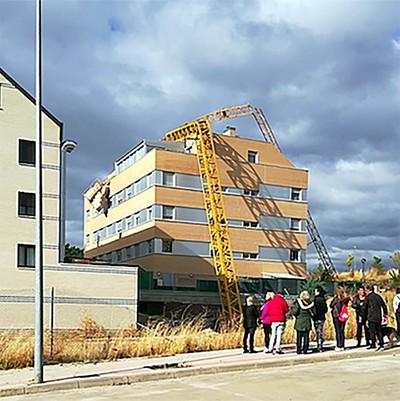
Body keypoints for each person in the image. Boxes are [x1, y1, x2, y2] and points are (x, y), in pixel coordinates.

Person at [365, 284, 388, 351]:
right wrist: (385, 314)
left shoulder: (368, 298)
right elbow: (384, 306)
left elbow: (364, 308)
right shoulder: (378, 297)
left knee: (372, 331)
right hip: (378, 316)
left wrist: (364, 316)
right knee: (379, 331)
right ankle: (381, 344)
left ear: (368, 290)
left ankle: (373, 344)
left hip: (371, 316)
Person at [330, 286, 349, 351]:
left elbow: (331, 305)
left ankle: (339, 345)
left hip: (336, 316)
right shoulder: (345, 299)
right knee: (342, 330)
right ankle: (342, 345)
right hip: (343, 316)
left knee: (337, 330)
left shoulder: (336, 299)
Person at [313, 286, 328, 352]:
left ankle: (319, 345)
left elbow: (314, 309)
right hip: (322, 317)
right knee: (320, 331)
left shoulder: (315, 299)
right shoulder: (323, 299)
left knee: (318, 331)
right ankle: (320, 344)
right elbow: (326, 309)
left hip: (316, 317)